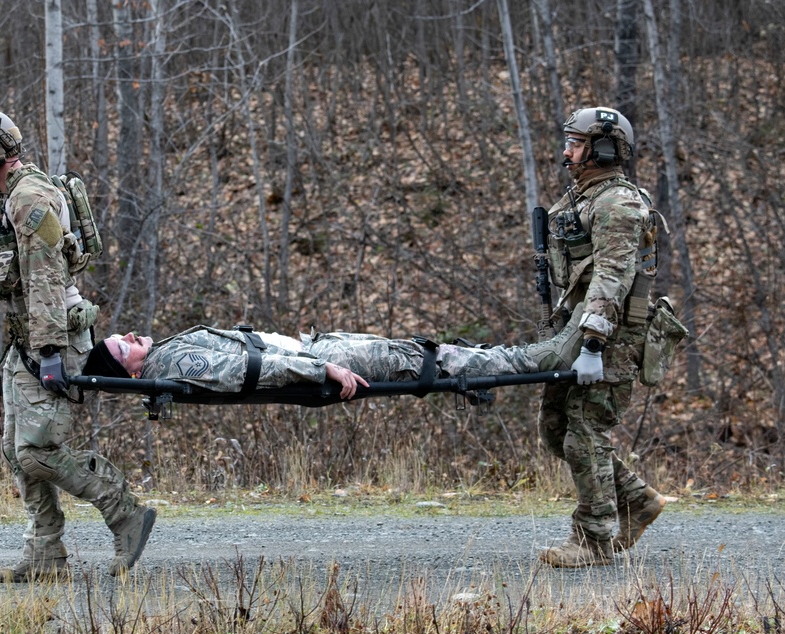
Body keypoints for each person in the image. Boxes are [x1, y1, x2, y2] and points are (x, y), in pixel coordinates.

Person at [0, 102, 155, 583]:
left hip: (54, 339)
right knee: (13, 447)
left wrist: (47, 355)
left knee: (39, 449)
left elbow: (44, 280)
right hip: (28, 339)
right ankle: (45, 551)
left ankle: (124, 513)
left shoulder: (30, 199)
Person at [535, 106, 667, 568]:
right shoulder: (582, 199)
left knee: (585, 431)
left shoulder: (618, 204)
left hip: (612, 335)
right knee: (556, 430)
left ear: (604, 148)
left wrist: (593, 343)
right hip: (580, 329)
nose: (565, 151)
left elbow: (612, 273)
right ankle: (637, 499)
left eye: (575, 142)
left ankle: (593, 537)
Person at [81, 321, 588, 400]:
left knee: (425, 356)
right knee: (428, 361)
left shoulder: (165, 356)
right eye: (124, 345)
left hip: (314, 349)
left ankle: (541, 351)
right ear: (130, 370)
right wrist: (319, 368)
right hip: (318, 358)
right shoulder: (170, 364)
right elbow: (246, 371)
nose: (130, 335)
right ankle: (547, 354)